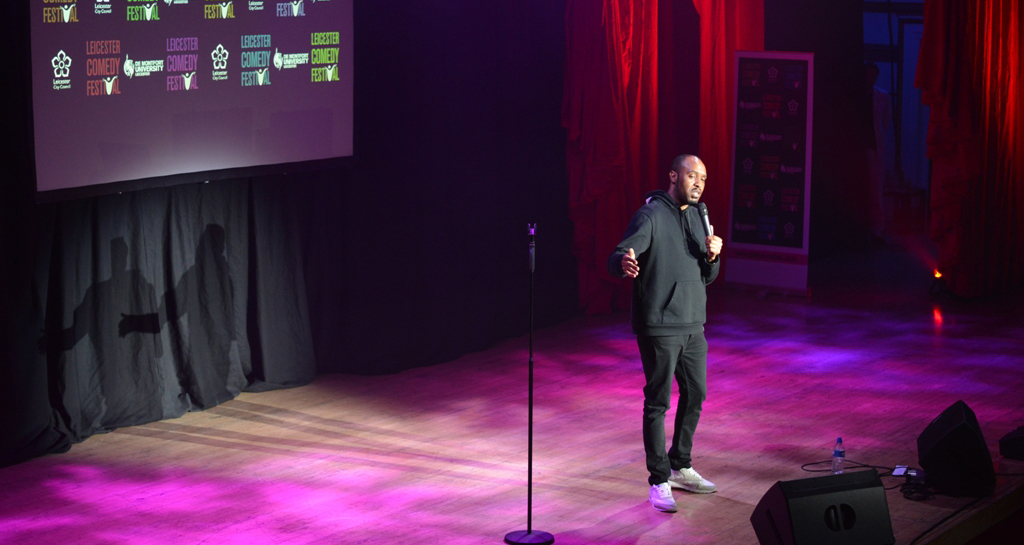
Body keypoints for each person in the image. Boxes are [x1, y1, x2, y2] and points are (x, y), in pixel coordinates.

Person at [607, 154, 723, 513]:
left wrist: (713, 257)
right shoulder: (652, 215)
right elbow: (617, 256)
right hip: (659, 325)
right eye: (693, 175)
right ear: (674, 176)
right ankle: (658, 480)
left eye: (704, 178)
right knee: (658, 402)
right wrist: (623, 264)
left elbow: (708, 278)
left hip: (692, 323)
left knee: (697, 394)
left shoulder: (699, 218)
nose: (699, 183)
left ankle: (680, 465)